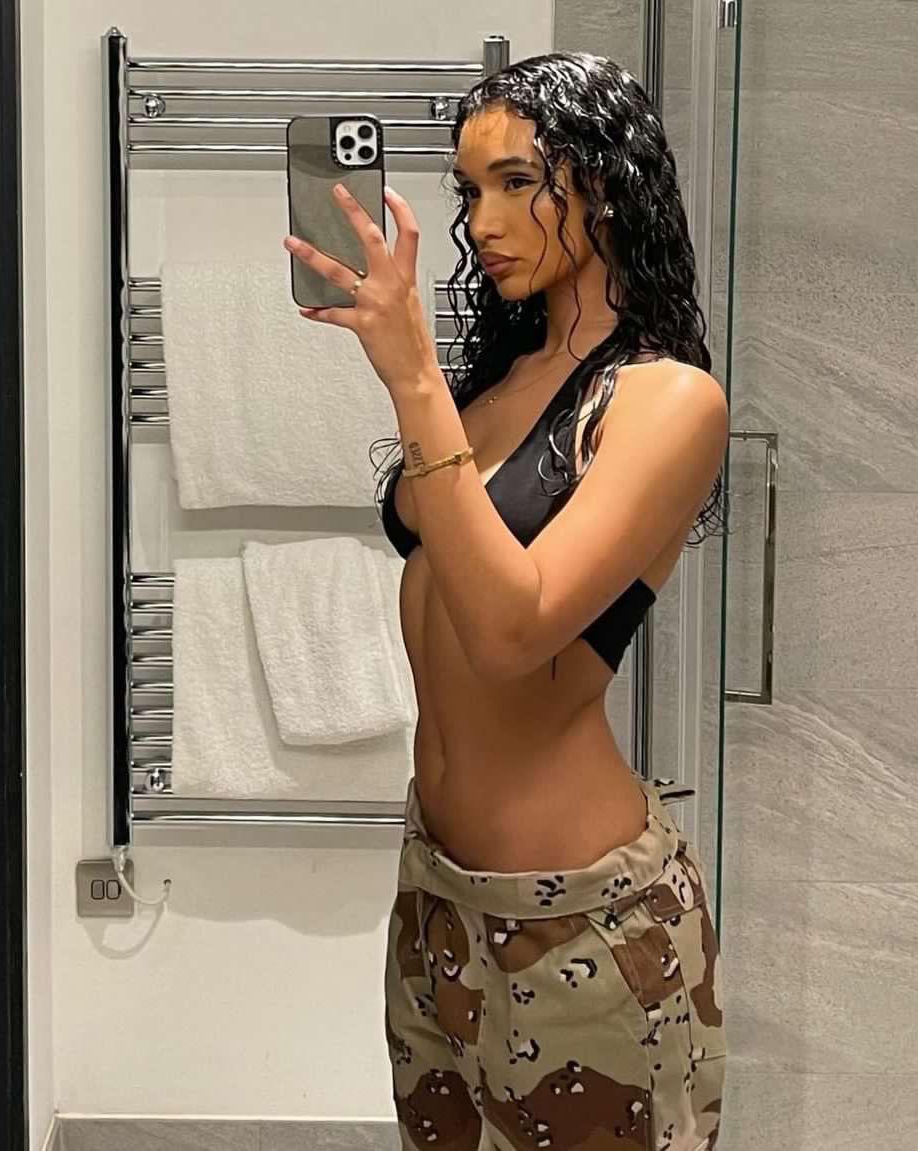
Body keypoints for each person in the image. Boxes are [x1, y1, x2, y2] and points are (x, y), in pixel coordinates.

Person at [285, 49, 729, 1151]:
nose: (482, 221)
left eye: (518, 181)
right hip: (437, 890)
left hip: (582, 918)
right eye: (469, 189)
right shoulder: (504, 380)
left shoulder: (668, 400)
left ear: (607, 184)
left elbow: (511, 629)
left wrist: (412, 379)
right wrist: (429, 384)